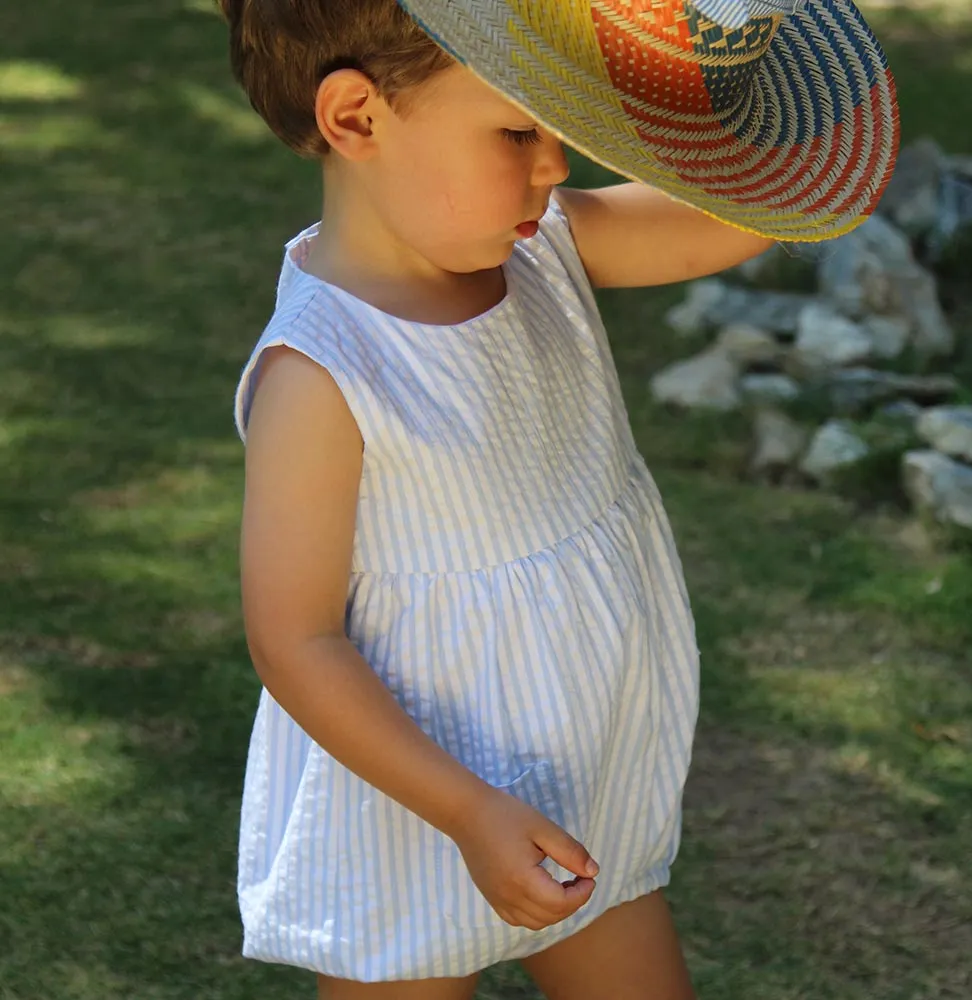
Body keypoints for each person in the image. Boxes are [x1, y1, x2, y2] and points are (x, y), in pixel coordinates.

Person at [219, 1, 898, 997]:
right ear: (356, 118)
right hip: (414, 802)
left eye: (559, 131)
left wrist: (741, 76)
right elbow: (296, 638)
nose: (555, 168)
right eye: (518, 130)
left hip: (587, 774)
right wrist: (466, 811)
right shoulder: (322, 374)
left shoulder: (543, 249)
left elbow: (739, 216)